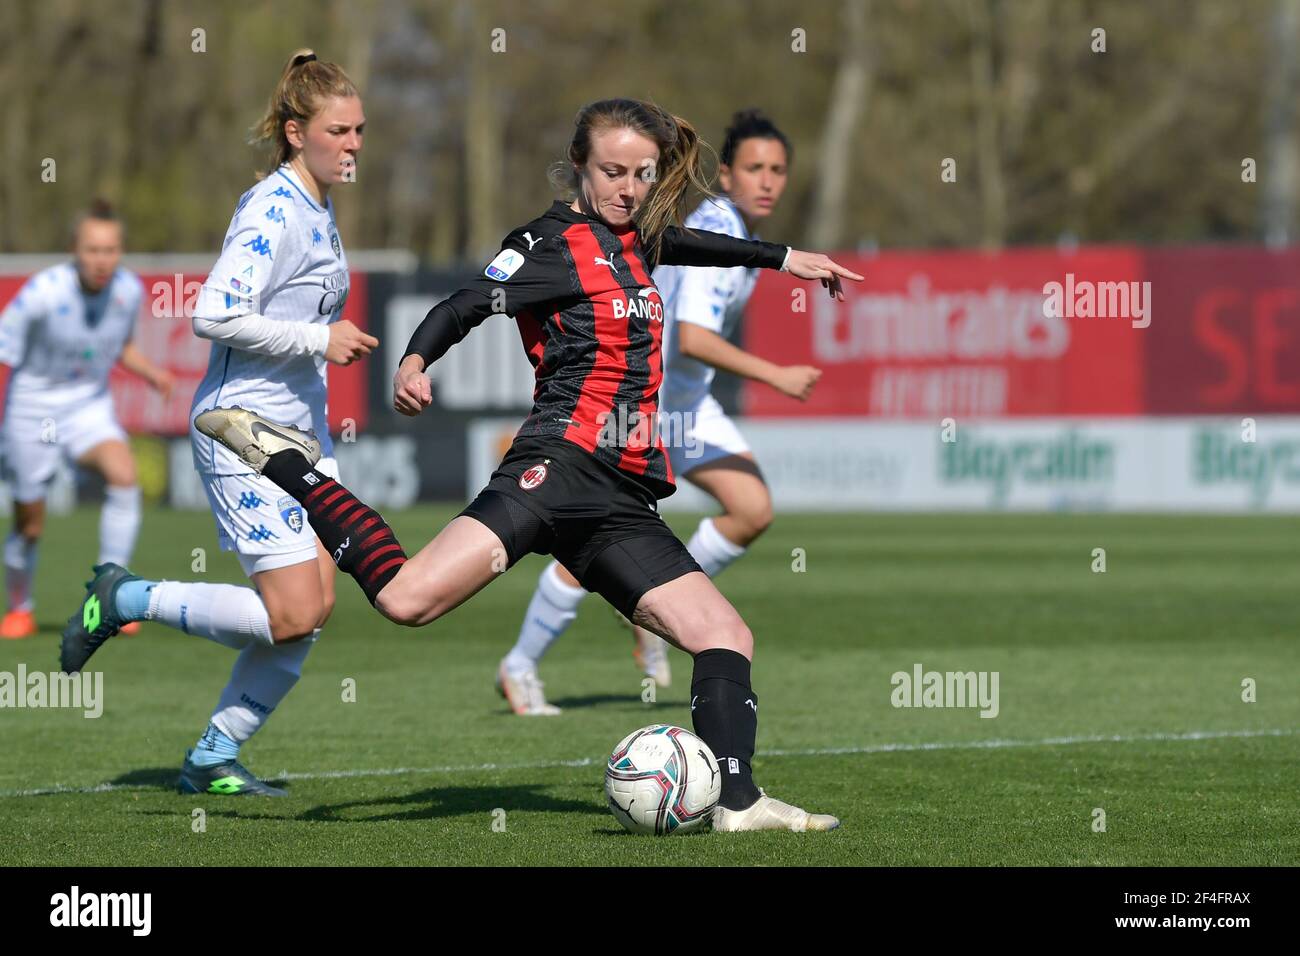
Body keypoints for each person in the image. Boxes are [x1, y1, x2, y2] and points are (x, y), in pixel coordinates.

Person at [76, 98, 861, 830]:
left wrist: (787, 257)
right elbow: (460, 305)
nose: (629, 189)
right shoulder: (546, 245)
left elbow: (697, 242)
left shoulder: (641, 238)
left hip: (621, 498)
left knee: (726, 636)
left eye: (643, 174)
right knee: (407, 600)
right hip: (553, 471)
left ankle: (739, 798)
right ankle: (288, 465)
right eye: (612, 173)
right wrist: (417, 360)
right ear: (579, 170)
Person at [59, 49, 377, 797]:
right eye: (340, 130)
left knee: (315, 612)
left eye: (361, 129)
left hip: (300, 437)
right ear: (297, 132)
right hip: (244, 433)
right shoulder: (273, 207)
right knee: (293, 612)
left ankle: (211, 755)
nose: (355, 144)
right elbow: (214, 313)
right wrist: (317, 340)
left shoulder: (319, 205)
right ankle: (126, 597)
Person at [497, 109, 821, 715]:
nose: (767, 181)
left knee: (751, 509)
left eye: (778, 170)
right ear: (725, 175)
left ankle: (651, 607)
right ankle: (522, 662)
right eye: (754, 168)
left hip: (687, 405)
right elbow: (693, 338)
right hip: (647, 407)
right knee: (599, 536)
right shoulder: (717, 221)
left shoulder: (735, 228)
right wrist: (776, 374)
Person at [0, 200, 173, 640]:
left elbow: (119, 346)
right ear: (74, 249)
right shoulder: (43, 294)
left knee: (124, 473)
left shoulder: (127, 291)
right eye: (93, 250)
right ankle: (20, 608)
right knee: (30, 524)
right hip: (32, 408)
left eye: (111, 250)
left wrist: (152, 373)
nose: (102, 260)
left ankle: (111, 597)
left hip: (87, 406)